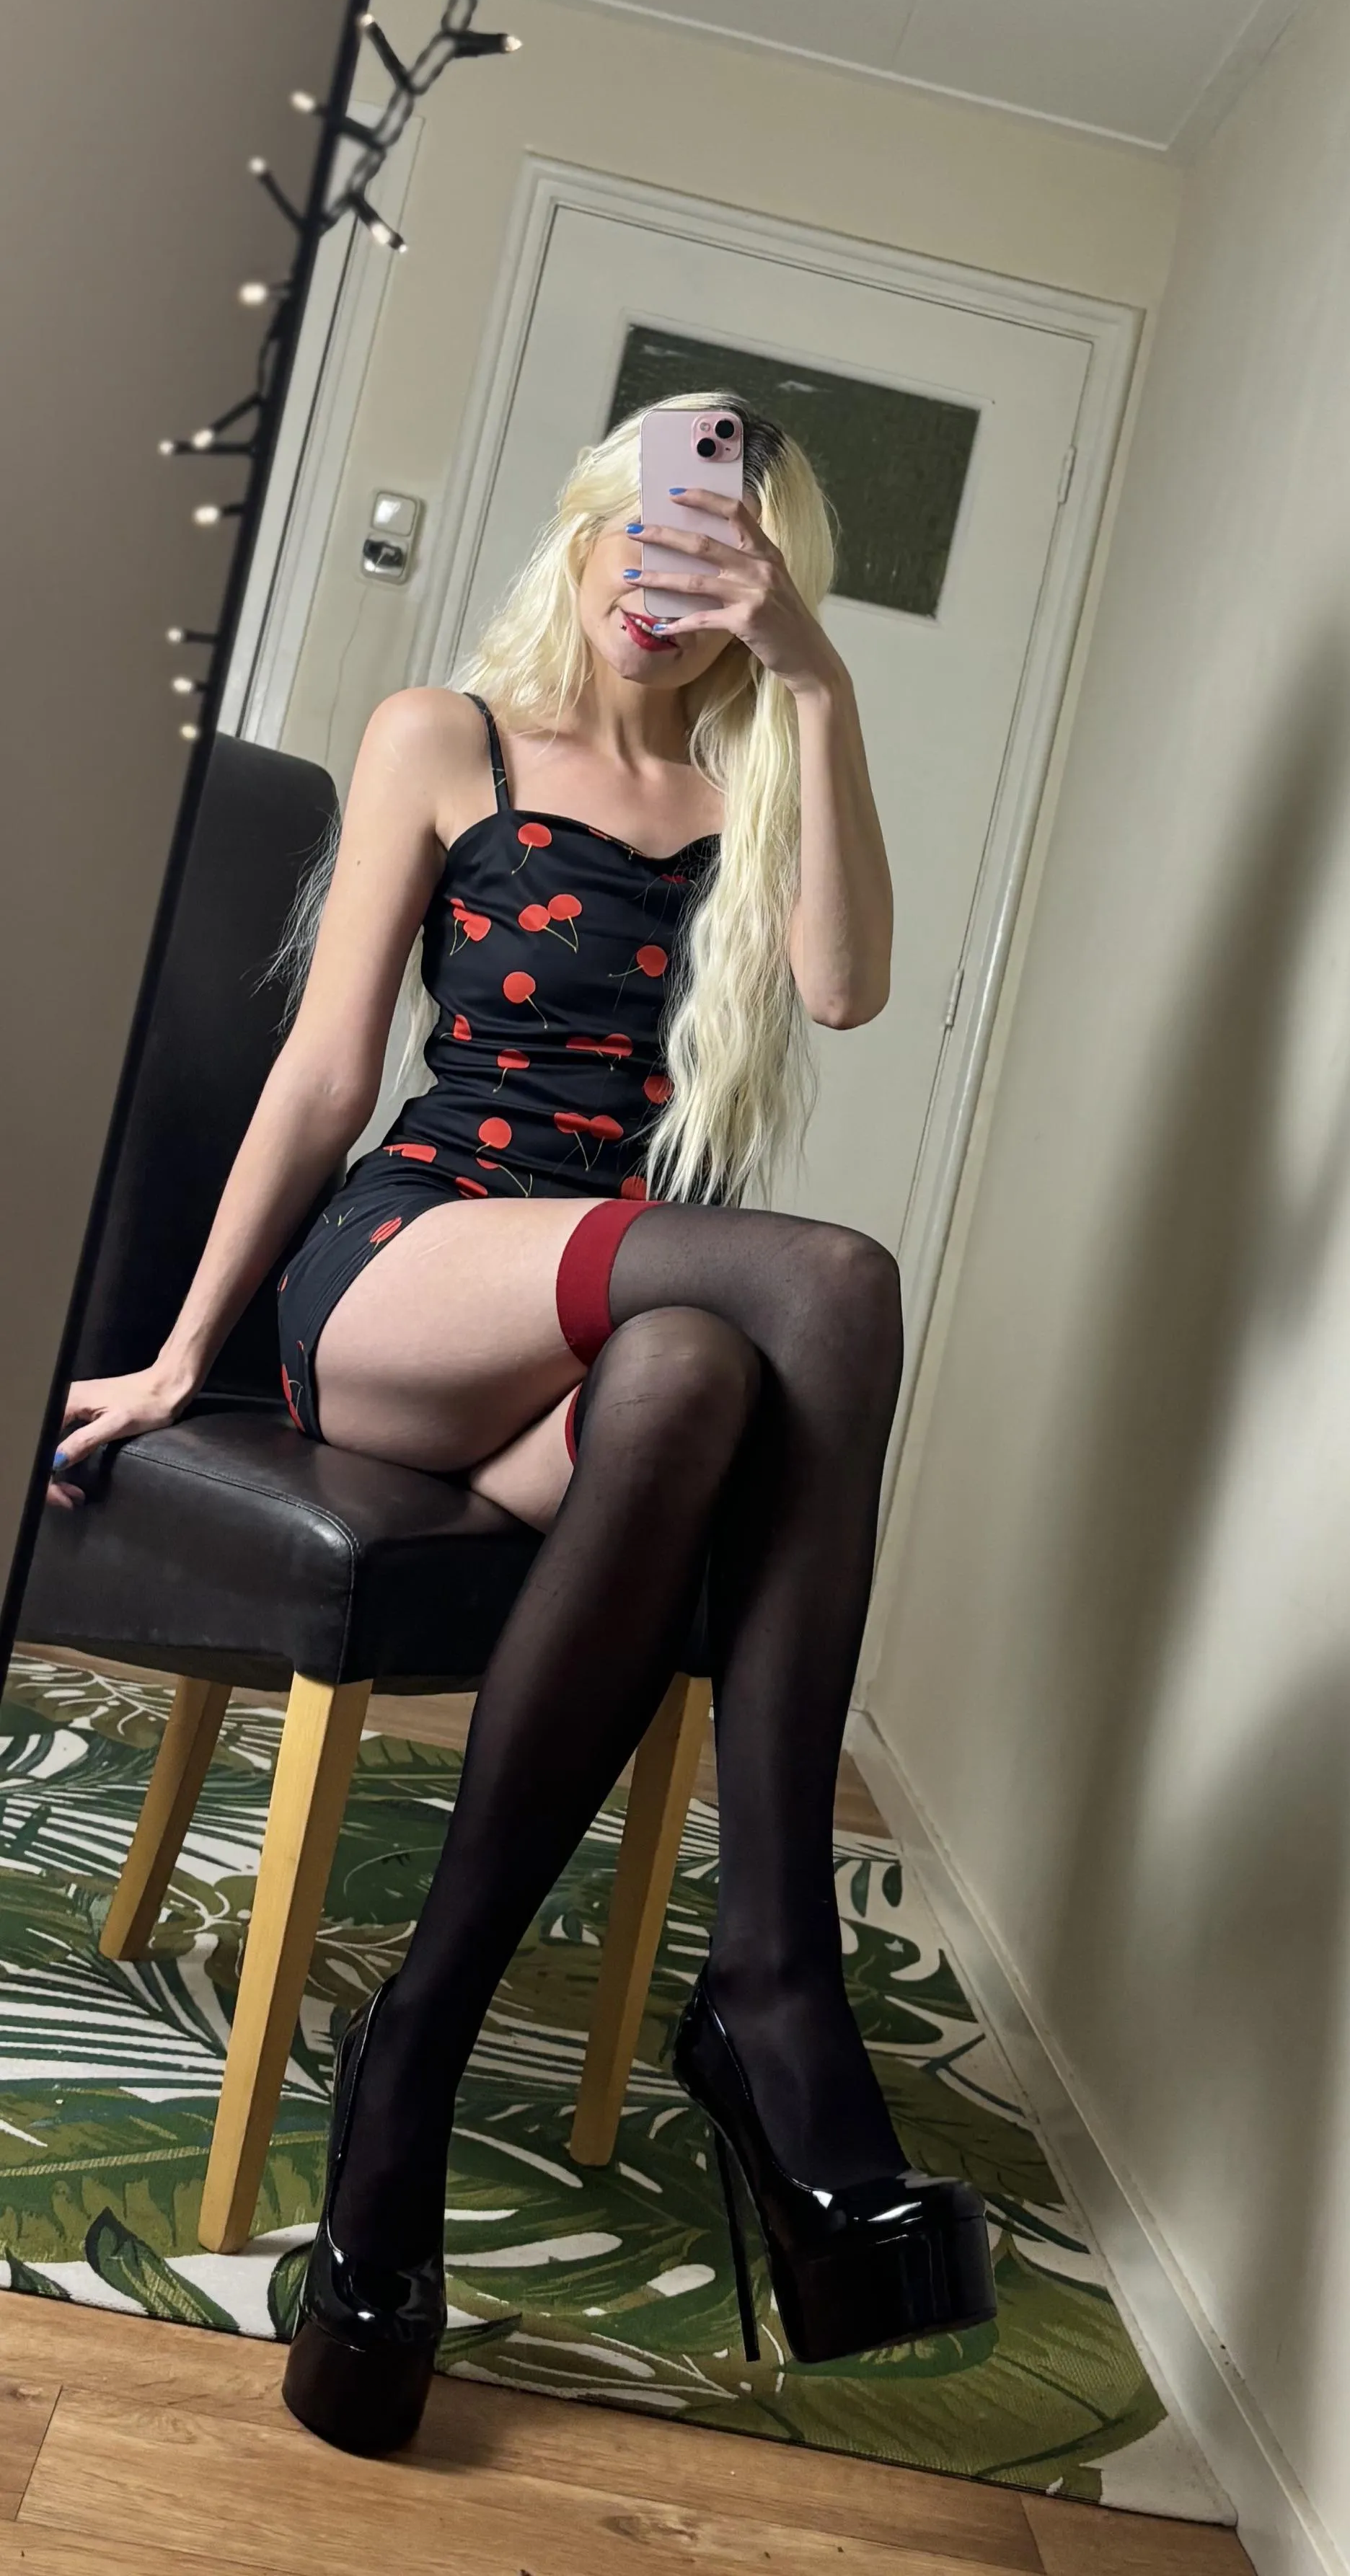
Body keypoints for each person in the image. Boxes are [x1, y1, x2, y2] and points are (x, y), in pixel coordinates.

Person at [48, 396, 992, 2450]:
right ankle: (773, 1986)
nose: (661, 585)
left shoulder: (754, 782)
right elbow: (324, 1076)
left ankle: (415, 2051)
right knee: (828, 1282)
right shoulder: (447, 738)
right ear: (581, 537)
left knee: (699, 1372)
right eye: (639, 536)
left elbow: (842, 991)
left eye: (713, 561)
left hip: (599, 1324)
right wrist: (183, 1349)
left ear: (755, 594)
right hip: (412, 1276)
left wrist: (818, 683)